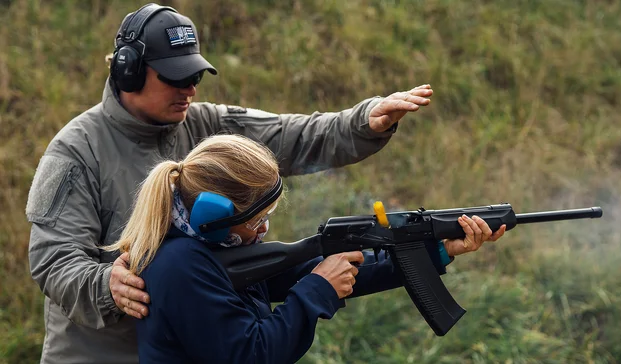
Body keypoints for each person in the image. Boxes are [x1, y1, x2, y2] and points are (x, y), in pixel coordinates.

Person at [24, 2, 441, 363]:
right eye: (175, 76)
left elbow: (291, 136)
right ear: (128, 71)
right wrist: (106, 286)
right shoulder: (75, 153)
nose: (189, 88)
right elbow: (52, 261)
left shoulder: (207, 123)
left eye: (195, 76)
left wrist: (365, 122)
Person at [103, 134, 506, 363]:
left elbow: (330, 268)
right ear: (216, 216)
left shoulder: (212, 248)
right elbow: (253, 354)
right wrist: (317, 288)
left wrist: (438, 251)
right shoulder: (180, 266)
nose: (264, 229)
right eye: (257, 219)